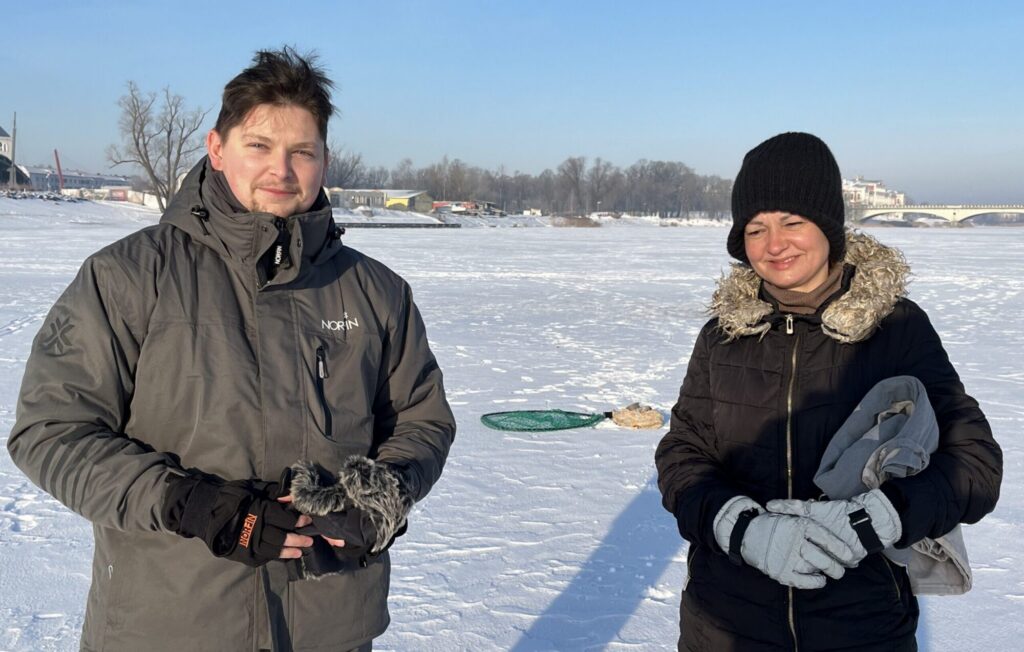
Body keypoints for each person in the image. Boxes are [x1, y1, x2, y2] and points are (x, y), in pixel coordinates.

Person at [8, 48, 455, 652]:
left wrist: (385, 492)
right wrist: (185, 502)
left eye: (303, 151)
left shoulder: (377, 293)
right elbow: (52, 431)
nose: (282, 169)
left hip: (329, 623)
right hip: (169, 623)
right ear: (217, 149)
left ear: (324, 158)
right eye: (259, 146)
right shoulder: (130, 277)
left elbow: (421, 420)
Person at [655, 132, 1002, 651]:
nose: (775, 245)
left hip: (862, 626)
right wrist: (741, 528)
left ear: (828, 226)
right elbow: (683, 455)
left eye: (792, 221)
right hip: (724, 626)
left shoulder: (897, 329)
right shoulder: (722, 335)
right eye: (756, 228)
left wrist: (877, 519)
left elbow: (974, 463)